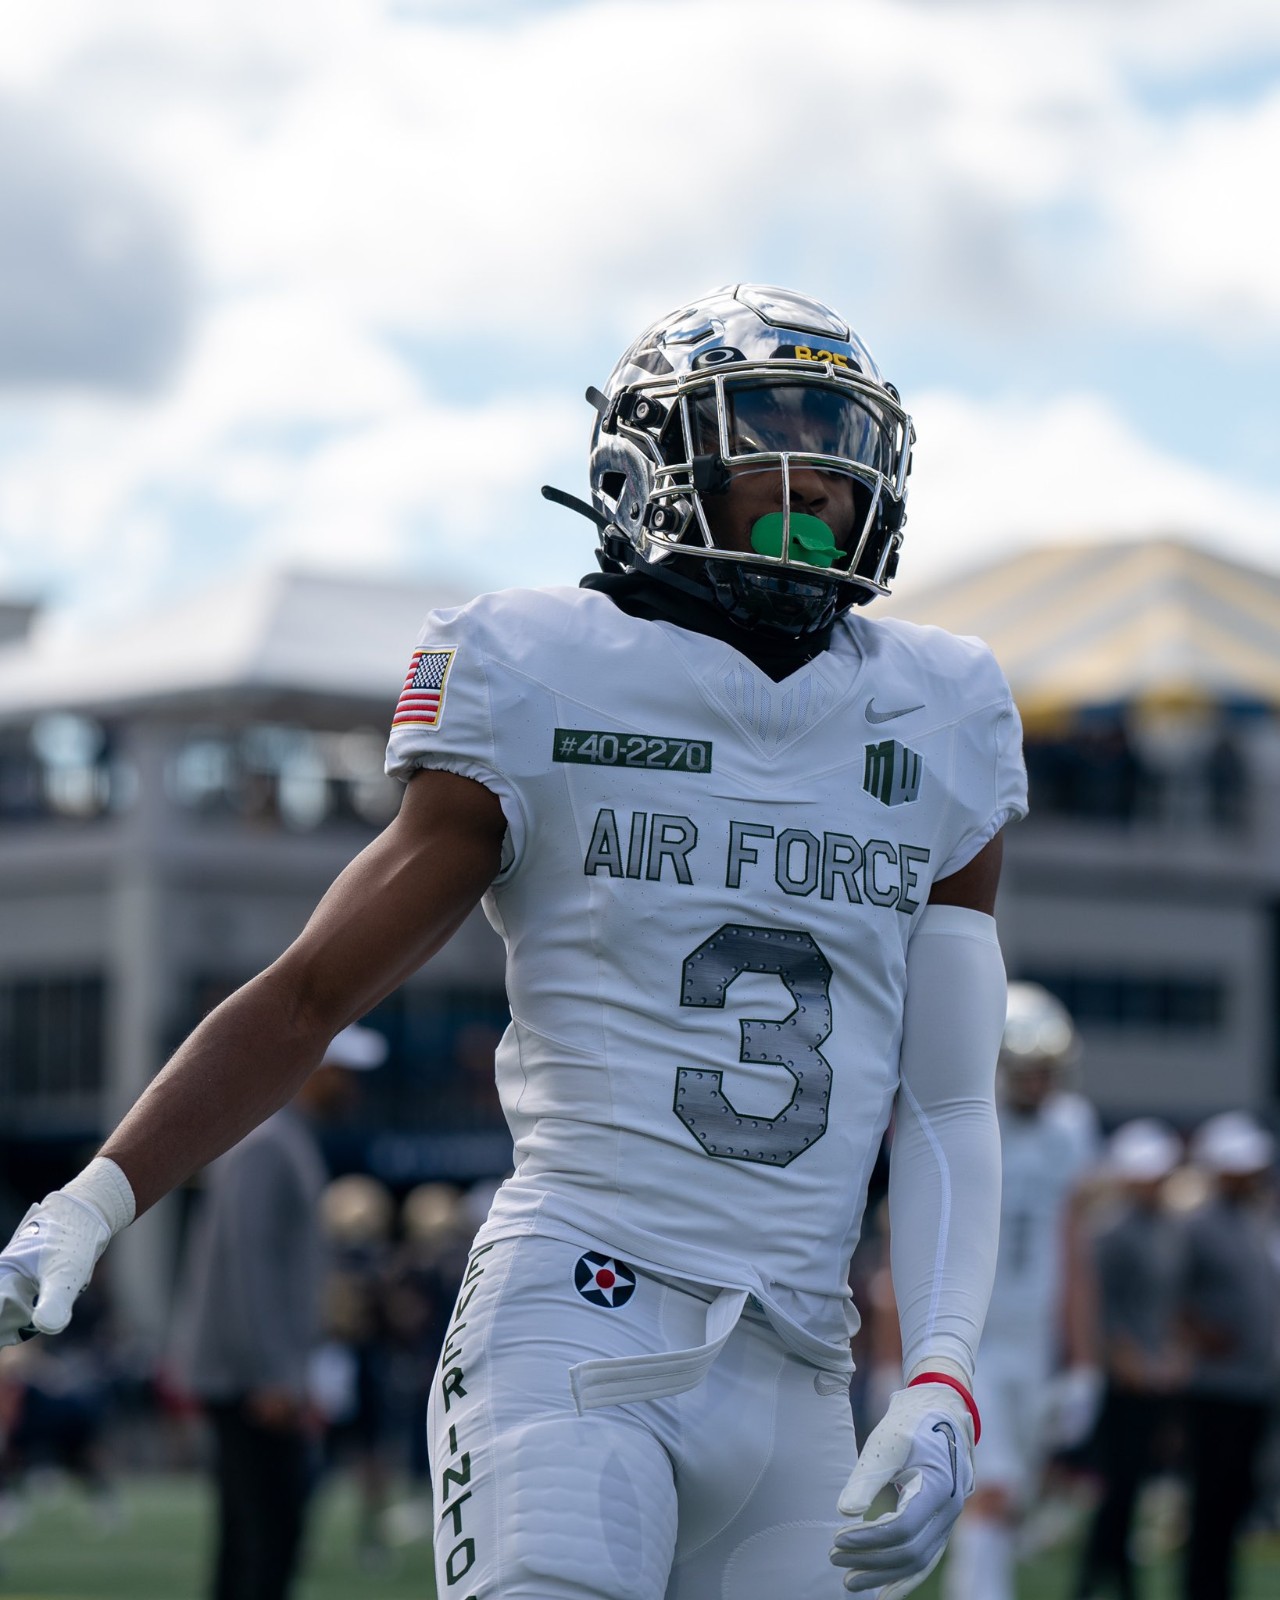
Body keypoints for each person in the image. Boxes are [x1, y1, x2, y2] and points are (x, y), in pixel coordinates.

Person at [0, 284, 1026, 1599]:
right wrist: (93, 1200)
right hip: (575, 1325)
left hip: (800, 1365)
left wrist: (939, 1375)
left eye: (834, 451)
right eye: (766, 441)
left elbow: (947, 1105)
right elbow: (311, 993)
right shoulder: (543, 667)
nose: (813, 484)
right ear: (645, 467)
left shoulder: (940, 709)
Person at [168, 1022, 387, 1600]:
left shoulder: (279, 1136)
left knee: (252, 1541)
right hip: (252, 1381)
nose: (353, 1088)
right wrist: (274, 1375)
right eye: (344, 1074)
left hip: (254, 1376)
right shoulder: (269, 1142)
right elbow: (251, 1266)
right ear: (313, 1069)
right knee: (267, 1540)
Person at [944, 982, 1100, 1600]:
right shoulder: (967, 1115)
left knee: (1016, 1496)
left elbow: (1074, 1247)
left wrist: (1083, 1361)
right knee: (991, 1485)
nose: (1040, 1083)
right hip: (976, 1332)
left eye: (1047, 1070)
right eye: (1028, 1070)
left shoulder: (1072, 1128)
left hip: (1033, 1338)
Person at [1075, 1119, 1186, 1600]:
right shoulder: (1112, 1230)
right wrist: (1124, 1357)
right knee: (1119, 1482)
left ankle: (1105, 1577)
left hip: (1154, 1373)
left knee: (1131, 1482)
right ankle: (1102, 1579)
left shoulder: (1165, 1228)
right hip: (1122, 1377)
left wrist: (1173, 1352)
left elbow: (1167, 1303)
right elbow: (1101, 1306)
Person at [1180, 1110, 1279, 1600]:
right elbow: (1173, 1294)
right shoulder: (1197, 1225)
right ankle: (1203, 1587)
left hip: (1253, 1383)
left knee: (1238, 1494)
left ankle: (1220, 1586)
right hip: (1215, 1384)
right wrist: (1198, 1331)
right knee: (1212, 1496)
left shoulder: (1254, 1219)